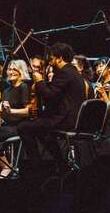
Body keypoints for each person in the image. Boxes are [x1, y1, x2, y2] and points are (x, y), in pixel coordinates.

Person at [17, 42, 86, 172]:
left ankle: (37, 166)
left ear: (59, 58)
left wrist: (39, 81)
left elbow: (49, 95)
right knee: (43, 130)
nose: (50, 61)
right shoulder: (73, 72)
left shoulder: (64, 73)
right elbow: (57, 95)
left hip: (66, 120)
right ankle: (60, 164)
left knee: (23, 127)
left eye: (52, 57)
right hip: (71, 118)